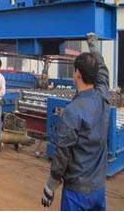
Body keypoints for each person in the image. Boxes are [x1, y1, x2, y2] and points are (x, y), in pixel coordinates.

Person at [41, 33, 110, 211]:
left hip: (77, 193)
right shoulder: (103, 97)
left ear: (77, 74)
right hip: (98, 189)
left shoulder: (73, 111)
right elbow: (103, 72)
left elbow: (62, 152)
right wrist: (93, 46)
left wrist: (50, 185)